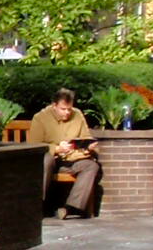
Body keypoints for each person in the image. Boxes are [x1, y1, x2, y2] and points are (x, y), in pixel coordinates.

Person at [29, 88, 102, 218]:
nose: (67, 112)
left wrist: (89, 146)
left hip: (71, 159)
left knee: (91, 166)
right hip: (52, 158)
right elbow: (34, 144)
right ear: (54, 105)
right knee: (46, 160)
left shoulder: (77, 115)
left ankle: (71, 208)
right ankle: (39, 205)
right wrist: (57, 149)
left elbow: (85, 136)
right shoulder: (40, 118)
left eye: (69, 109)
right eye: (63, 109)